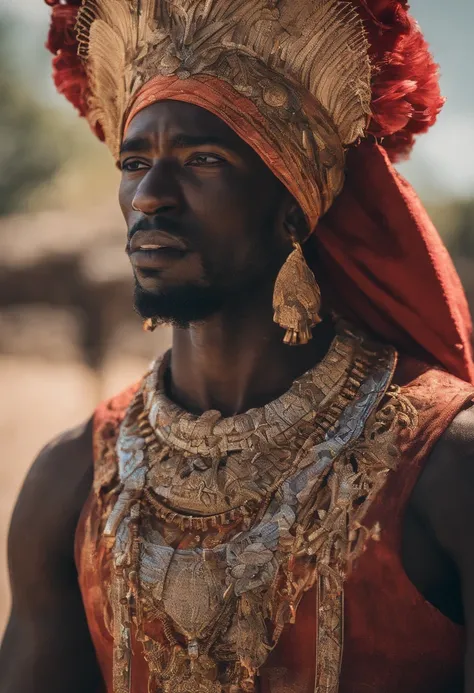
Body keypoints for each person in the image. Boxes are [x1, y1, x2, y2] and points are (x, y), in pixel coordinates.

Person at [1, 0, 474, 692]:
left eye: (203, 158)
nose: (151, 196)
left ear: (292, 205)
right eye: (135, 161)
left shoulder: (442, 469)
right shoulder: (71, 479)